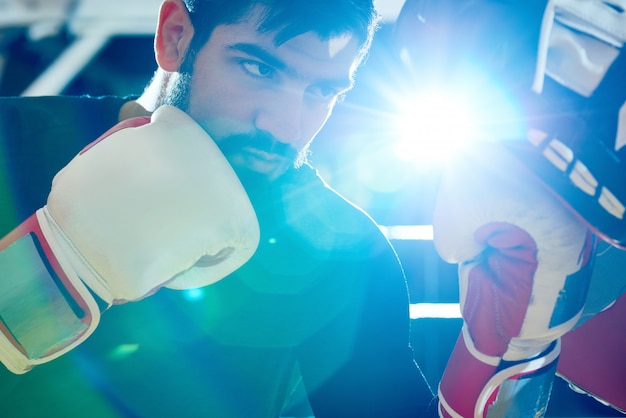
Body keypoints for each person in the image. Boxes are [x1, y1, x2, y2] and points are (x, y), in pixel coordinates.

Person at [0, 0, 438, 417]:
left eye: (322, 91)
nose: (285, 126)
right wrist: (46, 273)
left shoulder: (342, 249)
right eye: (259, 68)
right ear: (175, 37)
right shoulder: (11, 142)